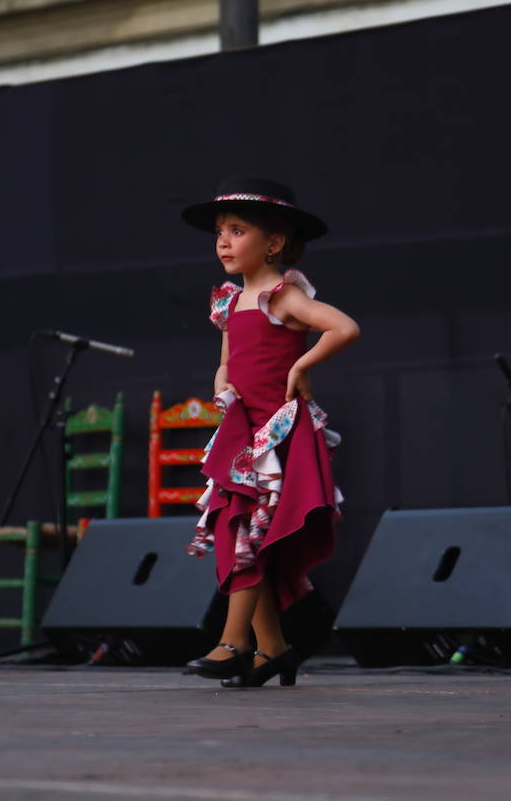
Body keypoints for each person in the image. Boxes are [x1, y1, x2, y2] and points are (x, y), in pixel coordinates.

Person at [179, 176, 359, 688]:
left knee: (247, 539)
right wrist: (221, 384)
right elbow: (228, 362)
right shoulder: (230, 302)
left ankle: (234, 642)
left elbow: (344, 327)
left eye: (237, 230)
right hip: (243, 431)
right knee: (238, 531)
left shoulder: (283, 296)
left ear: (274, 242)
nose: (223, 241)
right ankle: (274, 648)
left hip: (277, 436)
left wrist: (302, 366)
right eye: (219, 232)